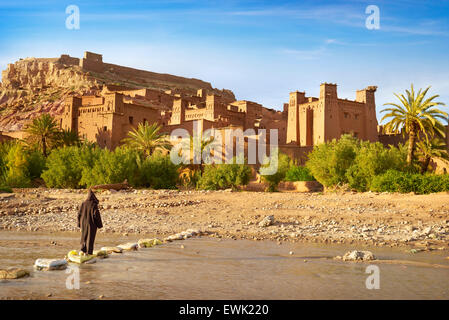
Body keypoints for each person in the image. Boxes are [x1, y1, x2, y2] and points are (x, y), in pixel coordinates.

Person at [77, 189, 103, 255]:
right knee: (90, 239)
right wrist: (100, 225)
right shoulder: (94, 205)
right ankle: (89, 253)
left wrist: (79, 224)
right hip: (91, 224)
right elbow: (96, 215)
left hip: (83, 223)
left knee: (84, 237)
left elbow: (79, 214)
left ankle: (83, 250)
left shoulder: (83, 203)